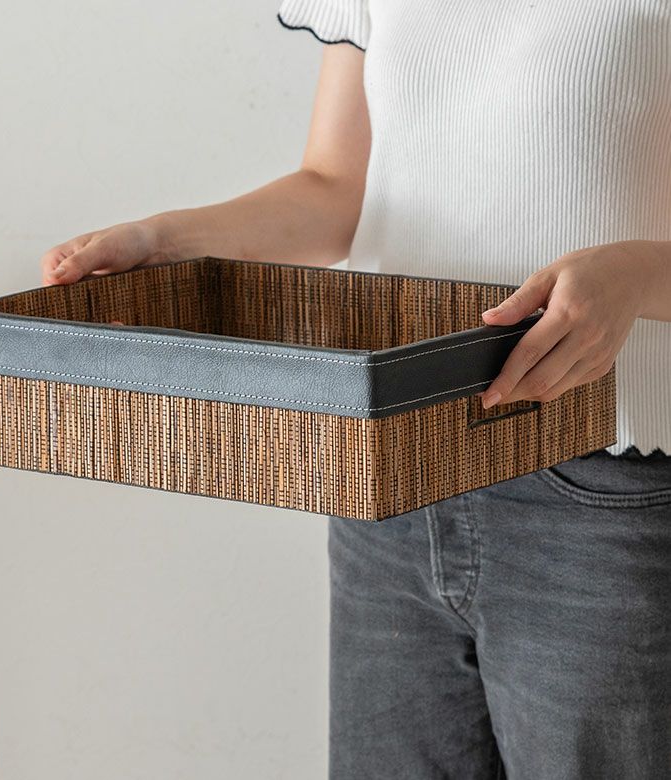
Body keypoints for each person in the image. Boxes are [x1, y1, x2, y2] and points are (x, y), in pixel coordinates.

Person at [40, 2, 671, 777]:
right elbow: (336, 187)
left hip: (603, 489)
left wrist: (637, 275)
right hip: (391, 479)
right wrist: (163, 241)